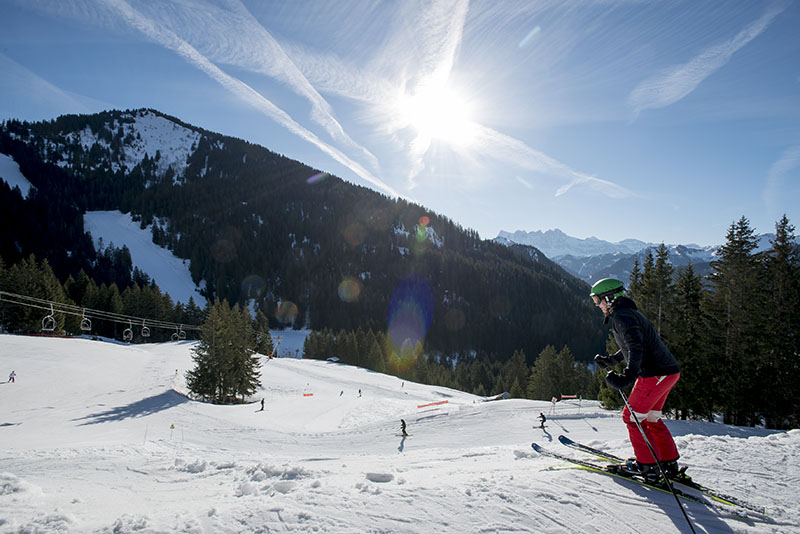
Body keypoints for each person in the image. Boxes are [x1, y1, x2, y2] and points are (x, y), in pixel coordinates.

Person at [590, 278, 683, 482]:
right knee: (651, 418)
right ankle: (667, 462)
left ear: (609, 298)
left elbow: (636, 348)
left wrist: (628, 376)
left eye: (597, 300)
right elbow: (633, 343)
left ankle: (648, 466)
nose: (597, 305)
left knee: (631, 418)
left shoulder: (621, 317)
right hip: (668, 372)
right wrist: (613, 359)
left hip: (654, 374)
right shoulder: (628, 314)